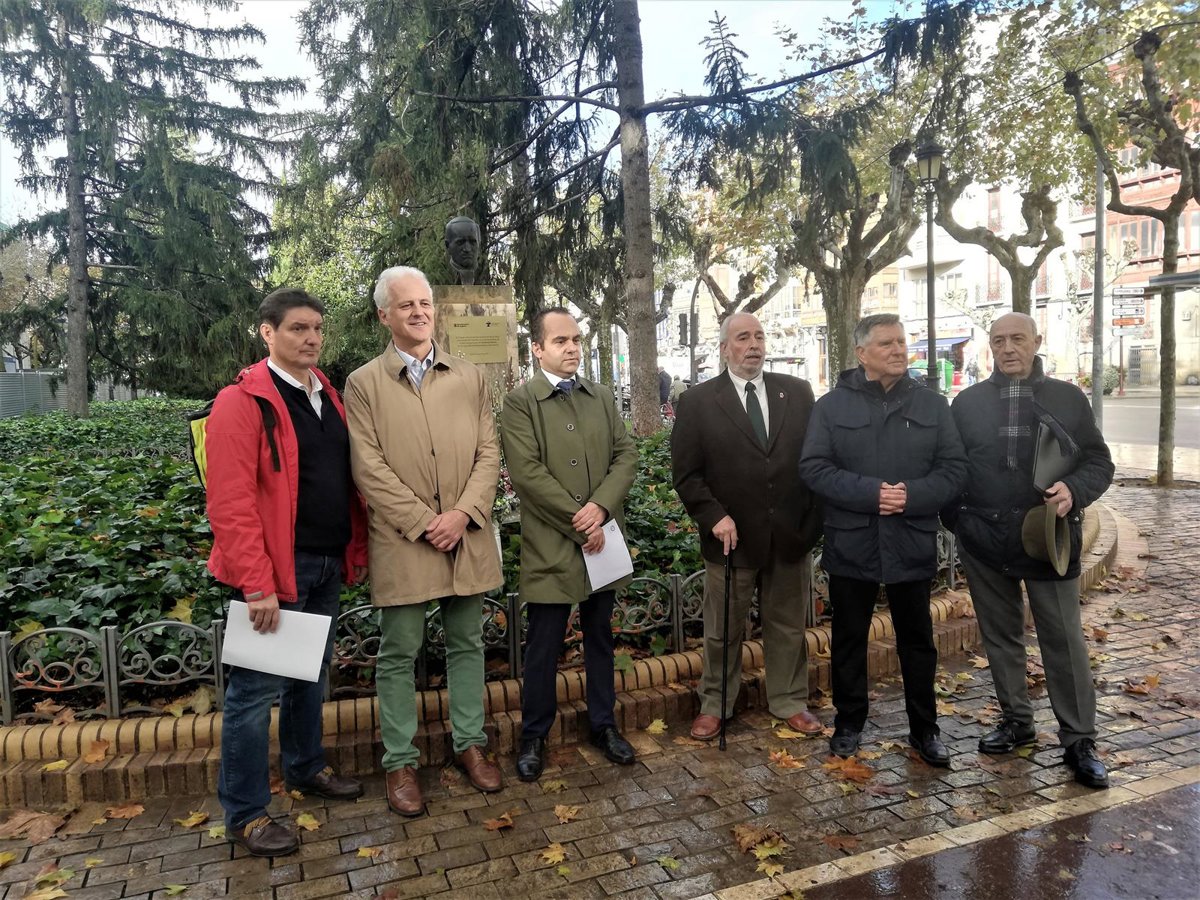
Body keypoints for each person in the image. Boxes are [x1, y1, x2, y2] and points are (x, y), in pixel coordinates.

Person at [206, 288, 368, 857]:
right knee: (253, 694)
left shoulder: (327, 395)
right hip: (275, 569)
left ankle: (305, 767)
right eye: (298, 328)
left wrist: (353, 551)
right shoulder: (241, 401)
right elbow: (230, 503)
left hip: (324, 562)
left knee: (310, 677)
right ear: (268, 332)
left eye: (317, 328)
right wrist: (257, 584)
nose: (312, 338)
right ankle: (246, 814)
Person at [345, 266, 504, 816]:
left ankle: (470, 744)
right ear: (383, 315)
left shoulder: (469, 375)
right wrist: (422, 520)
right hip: (404, 539)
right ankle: (399, 762)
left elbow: (489, 452)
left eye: (425, 302)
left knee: (467, 644)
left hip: (465, 533)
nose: (419, 312)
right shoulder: (363, 384)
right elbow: (367, 467)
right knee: (398, 653)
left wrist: (461, 514)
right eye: (406, 304)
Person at [946, 312, 1114, 788]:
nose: (1008, 348)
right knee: (1000, 637)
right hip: (984, 538)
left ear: (1037, 341)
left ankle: (1079, 739)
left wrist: (1074, 490)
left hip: (1047, 537)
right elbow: (952, 466)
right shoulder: (968, 403)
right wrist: (957, 521)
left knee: (1063, 639)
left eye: (1017, 338)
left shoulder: (1067, 397)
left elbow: (1098, 461)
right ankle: (1017, 722)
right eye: (999, 340)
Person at [799, 314, 967, 766]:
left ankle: (925, 729)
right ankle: (849, 723)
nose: (898, 350)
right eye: (886, 343)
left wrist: (912, 496)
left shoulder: (933, 405)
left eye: (901, 342)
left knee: (918, 640)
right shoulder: (831, 406)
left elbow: (954, 469)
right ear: (861, 353)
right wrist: (871, 494)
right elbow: (814, 467)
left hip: (910, 537)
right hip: (852, 540)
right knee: (849, 638)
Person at [501, 307, 639, 780]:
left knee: (600, 638)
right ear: (537, 349)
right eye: (560, 341)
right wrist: (582, 523)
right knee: (544, 645)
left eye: (576, 339)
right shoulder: (521, 403)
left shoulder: (600, 396)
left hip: (603, 541)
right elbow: (528, 475)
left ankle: (604, 725)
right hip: (553, 545)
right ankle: (533, 735)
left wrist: (601, 507)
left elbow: (625, 455)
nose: (572, 348)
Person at [671, 312, 823, 741]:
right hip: (730, 540)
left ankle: (790, 701)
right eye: (742, 338)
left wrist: (812, 522)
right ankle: (715, 704)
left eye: (759, 336)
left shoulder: (797, 392)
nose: (753, 344)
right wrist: (714, 516)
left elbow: (816, 459)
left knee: (788, 627)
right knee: (723, 631)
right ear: (724, 349)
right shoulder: (698, 402)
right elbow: (686, 475)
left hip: (789, 536)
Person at [445, 216, 481, 285]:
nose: (467, 249)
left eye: (472, 242)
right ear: (447, 245)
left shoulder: (483, 273)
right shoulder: (442, 278)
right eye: (460, 242)